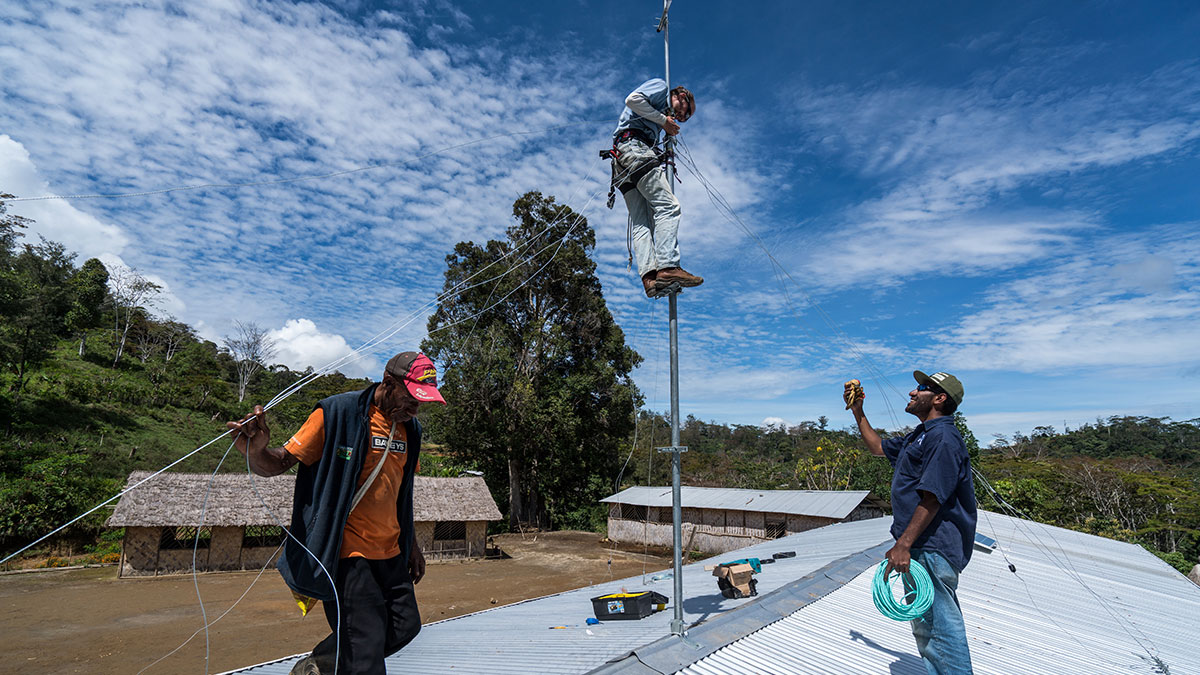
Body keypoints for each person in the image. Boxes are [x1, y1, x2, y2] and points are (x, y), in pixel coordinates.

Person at [227, 351, 446, 675]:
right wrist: (257, 451)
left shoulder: (409, 431)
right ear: (388, 382)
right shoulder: (336, 413)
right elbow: (280, 462)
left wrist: (411, 544)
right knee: (366, 652)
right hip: (346, 554)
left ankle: (324, 662)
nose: (417, 407)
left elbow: (401, 492)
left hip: (390, 552)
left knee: (405, 626)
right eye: (411, 397)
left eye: (422, 400)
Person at [845, 371, 977, 675]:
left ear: (940, 398)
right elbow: (877, 447)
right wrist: (858, 410)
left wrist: (903, 544)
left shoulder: (943, 438)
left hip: (931, 546)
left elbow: (933, 497)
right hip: (920, 546)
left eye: (921, 388)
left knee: (941, 630)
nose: (912, 392)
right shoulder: (921, 435)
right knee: (927, 629)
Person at [611, 77, 703, 297]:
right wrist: (663, 121)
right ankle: (669, 267)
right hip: (634, 147)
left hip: (621, 159)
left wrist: (662, 127)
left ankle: (649, 279)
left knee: (641, 221)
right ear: (681, 95)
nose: (682, 117)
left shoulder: (659, 116)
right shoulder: (661, 87)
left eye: (685, 118)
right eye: (684, 110)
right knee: (668, 206)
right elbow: (632, 100)